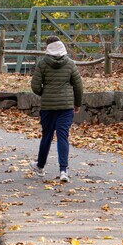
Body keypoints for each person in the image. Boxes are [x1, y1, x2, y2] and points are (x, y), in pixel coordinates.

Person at [29, 36, 83, 183]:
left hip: (48, 107)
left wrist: (44, 93)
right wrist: (77, 104)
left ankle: (40, 166)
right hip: (66, 107)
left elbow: (35, 86)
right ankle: (63, 170)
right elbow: (78, 86)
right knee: (63, 137)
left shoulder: (42, 64)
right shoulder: (70, 64)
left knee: (46, 136)